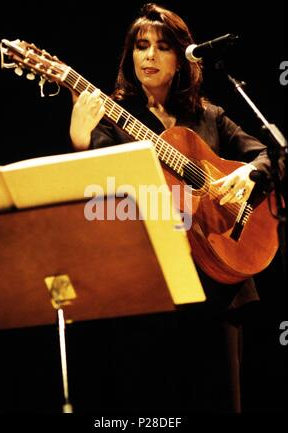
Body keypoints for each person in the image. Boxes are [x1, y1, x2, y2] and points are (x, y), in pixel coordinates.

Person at [68, 3, 275, 413]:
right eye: (140, 46)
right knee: (151, 407)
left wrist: (251, 175)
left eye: (162, 47)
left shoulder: (210, 116)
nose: (149, 55)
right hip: (151, 283)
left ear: (182, 58)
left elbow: (272, 155)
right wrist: (80, 141)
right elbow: (105, 194)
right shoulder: (113, 119)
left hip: (218, 283)